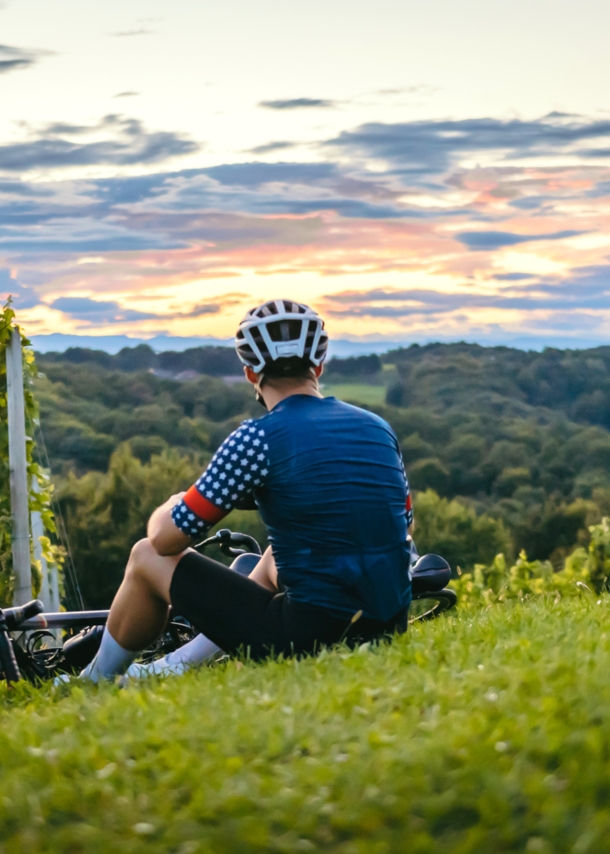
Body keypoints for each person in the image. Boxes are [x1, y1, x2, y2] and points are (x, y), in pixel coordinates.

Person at [81, 299, 414, 682]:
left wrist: (172, 504)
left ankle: (96, 680)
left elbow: (164, 541)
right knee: (277, 555)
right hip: (387, 628)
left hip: (307, 638)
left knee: (144, 556)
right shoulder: (377, 428)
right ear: (319, 367)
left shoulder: (257, 439)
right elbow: (403, 526)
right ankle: (179, 663)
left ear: (251, 374)